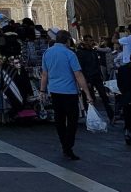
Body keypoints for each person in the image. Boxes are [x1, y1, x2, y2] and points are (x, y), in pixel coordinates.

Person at [39, 30, 96, 160]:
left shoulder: (47, 53)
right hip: (69, 91)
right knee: (72, 119)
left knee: (59, 119)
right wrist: (87, 93)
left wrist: (42, 91)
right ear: (67, 40)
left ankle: (64, 144)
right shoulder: (69, 53)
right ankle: (68, 145)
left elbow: (44, 74)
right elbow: (78, 75)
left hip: (54, 91)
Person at [77, 35, 114, 121]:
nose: (91, 43)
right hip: (88, 78)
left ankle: (111, 116)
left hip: (97, 77)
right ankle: (90, 116)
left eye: (92, 40)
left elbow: (97, 64)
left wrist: (100, 75)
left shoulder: (93, 51)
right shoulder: (80, 53)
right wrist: (86, 80)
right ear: (85, 42)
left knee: (104, 96)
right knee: (89, 98)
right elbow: (81, 67)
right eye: (89, 41)